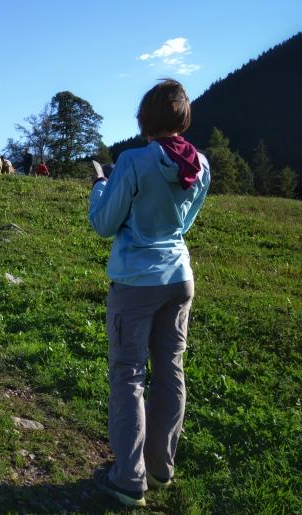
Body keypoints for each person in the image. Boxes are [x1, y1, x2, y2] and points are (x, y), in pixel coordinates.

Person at [88, 79, 210, 507]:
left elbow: (104, 224)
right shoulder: (200, 165)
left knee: (128, 375)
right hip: (179, 278)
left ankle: (128, 478)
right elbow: (184, 223)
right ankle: (160, 468)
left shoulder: (134, 161)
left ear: (145, 119)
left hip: (136, 282)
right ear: (183, 117)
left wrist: (100, 185)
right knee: (171, 370)